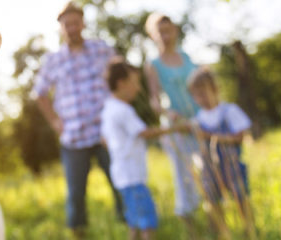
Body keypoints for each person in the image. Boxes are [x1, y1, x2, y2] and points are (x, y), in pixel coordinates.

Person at [32, 1, 123, 234]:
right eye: (67, 25)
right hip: (73, 136)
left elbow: (121, 77)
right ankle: (78, 233)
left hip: (106, 133)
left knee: (121, 182)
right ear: (61, 27)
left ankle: (131, 227)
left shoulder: (102, 49)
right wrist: (54, 121)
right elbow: (39, 93)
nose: (72, 28)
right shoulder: (53, 60)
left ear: (82, 23)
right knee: (76, 192)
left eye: (75, 23)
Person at [101, 58, 188, 240]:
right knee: (148, 223)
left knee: (135, 222)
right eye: (135, 83)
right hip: (133, 177)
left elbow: (104, 140)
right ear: (121, 83)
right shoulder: (124, 110)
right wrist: (175, 128)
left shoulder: (108, 109)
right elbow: (144, 133)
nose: (139, 88)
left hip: (121, 176)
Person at [143, 13, 201, 231]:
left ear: (175, 31)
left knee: (207, 171)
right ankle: (191, 226)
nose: (166, 36)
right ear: (153, 35)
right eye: (161, 32)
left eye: (169, 30)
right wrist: (169, 113)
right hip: (176, 126)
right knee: (183, 176)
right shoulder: (153, 64)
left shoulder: (186, 56)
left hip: (197, 121)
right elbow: (154, 100)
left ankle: (216, 220)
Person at [187, 67, 255, 238]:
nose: (200, 99)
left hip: (231, 164)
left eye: (203, 93)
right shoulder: (198, 118)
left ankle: (249, 230)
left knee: (240, 198)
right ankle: (222, 232)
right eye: (196, 95)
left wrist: (210, 136)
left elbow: (240, 137)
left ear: (215, 89)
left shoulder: (229, 110)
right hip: (209, 168)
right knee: (212, 200)